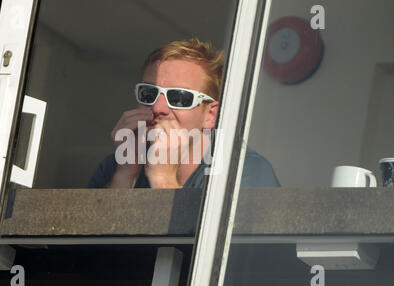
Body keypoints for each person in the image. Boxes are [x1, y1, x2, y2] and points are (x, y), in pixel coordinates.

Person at [89, 38, 280, 189]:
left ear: (210, 115)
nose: (158, 108)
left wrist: (163, 180)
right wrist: (125, 175)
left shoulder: (242, 172)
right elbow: (93, 238)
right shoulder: (116, 166)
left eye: (179, 97)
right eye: (148, 94)